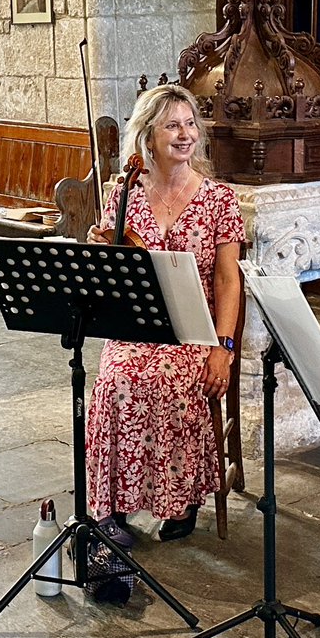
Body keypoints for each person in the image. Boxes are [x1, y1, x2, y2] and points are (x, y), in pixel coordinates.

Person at [84, 84, 245, 542]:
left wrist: (223, 347)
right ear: (148, 137)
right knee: (117, 379)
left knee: (175, 382)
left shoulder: (219, 199)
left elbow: (228, 280)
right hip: (137, 326)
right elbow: (111, 272)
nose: (185, 134)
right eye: (172, 125)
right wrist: (102, 247)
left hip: (196, 332)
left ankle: (182, 498)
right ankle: (112, 504)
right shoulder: (125, 192)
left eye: (190, 123)